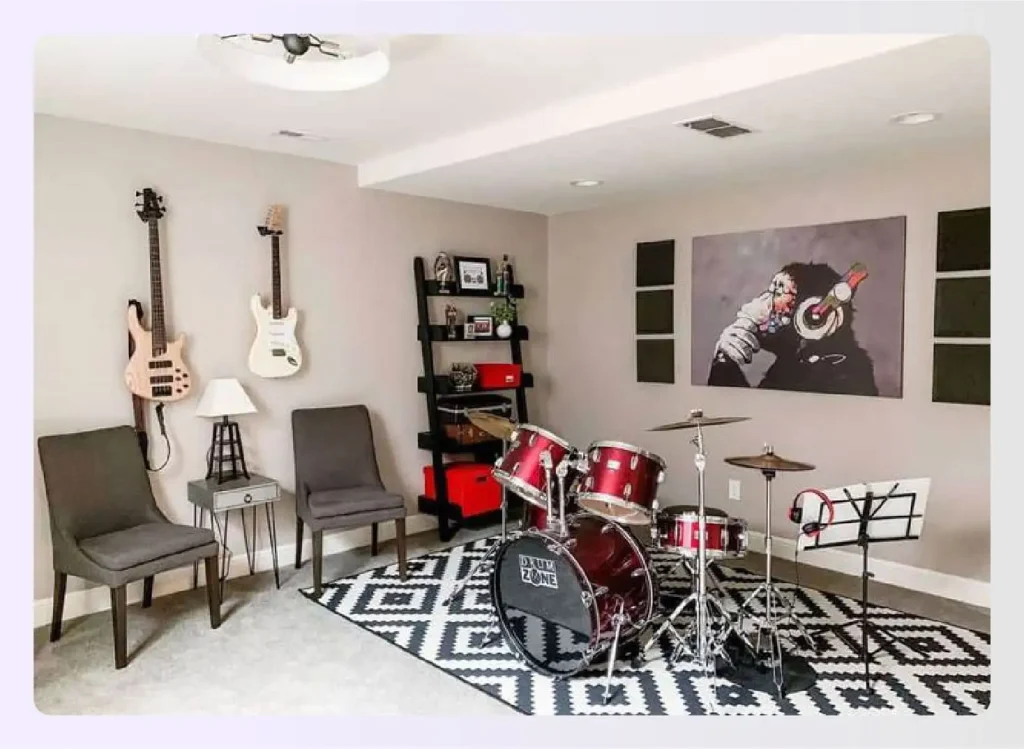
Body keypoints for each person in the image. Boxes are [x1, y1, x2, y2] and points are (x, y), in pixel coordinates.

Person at [707, 261, 879, 396]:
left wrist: (725, 364)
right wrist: (724, 361)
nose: (763, 302)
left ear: (811, 311)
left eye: (778, 291)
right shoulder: (789, 366)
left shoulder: (844, 373)